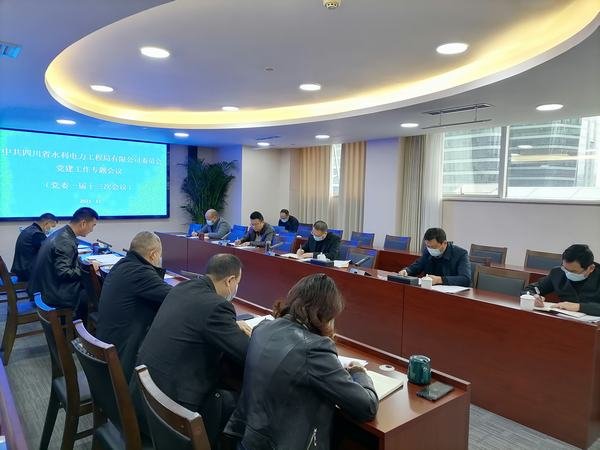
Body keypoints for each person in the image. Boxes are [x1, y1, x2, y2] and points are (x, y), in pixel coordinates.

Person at [225, 273, 378, 449]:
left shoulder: (263, 328)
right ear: (324, 314)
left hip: (248, 441)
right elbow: (366, 407)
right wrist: (359, 372)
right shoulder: (315, 348)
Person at [136, 254, 251, 449]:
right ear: (230, 281)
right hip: (175, 411)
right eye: (237, 283)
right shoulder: (218, 306)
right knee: (238, 402)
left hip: (146, 396)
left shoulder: (183, 288)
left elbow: (198, 319)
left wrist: (230, 325)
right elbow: (247, 353)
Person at [96, 232, 171, 382]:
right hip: (123, 357)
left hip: (107, 346)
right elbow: (175, 296)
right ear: (153, 254)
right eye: (160, 255)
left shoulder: (122, 265)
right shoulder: (140, 272)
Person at [28, 208, 99, 317]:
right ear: (83, 223)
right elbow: (64, 273)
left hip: (46, 286)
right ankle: (81, 324)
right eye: (93, 225)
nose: (92, 230)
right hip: (54, 293)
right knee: (95, 292)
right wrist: (88, 269)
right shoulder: (65, 241)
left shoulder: (61, 233)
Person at [525, 244, 600, 315]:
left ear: (591, 268)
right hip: (565, 319)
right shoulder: (558, 273)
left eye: (573, 271)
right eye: (565, 268)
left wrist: (579, 307)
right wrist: (533, 296)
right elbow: (530, 289)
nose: (568, 273)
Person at [398, 227, 471, 287]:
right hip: (431, 290)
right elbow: (417, 266)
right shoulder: (427, 251)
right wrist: (406, 271)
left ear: (444, 243)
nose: (430, 249)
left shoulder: (461, 254)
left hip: (452, 294)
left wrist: (439, 280)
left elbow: (465, 279)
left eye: (433, 247)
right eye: (428, 246)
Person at [11, 212, 58, 282]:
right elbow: (50, 252)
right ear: (46, 223)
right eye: (52, 226)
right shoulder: (37, 234)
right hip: (28, 272)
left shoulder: (29, 230)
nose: (52, 229)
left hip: (20, 269)